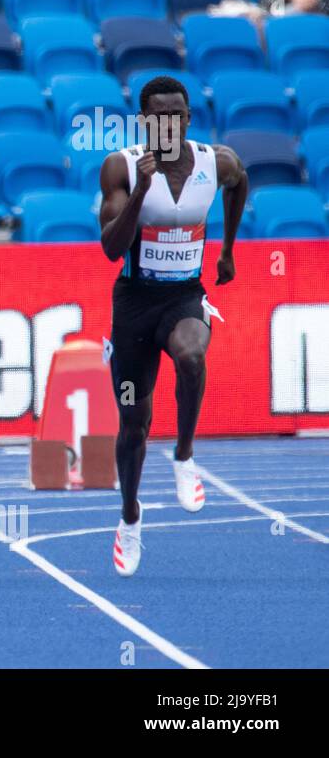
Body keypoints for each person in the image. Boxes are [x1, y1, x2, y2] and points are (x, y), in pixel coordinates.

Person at [97, 76, 248, 577]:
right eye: (157, 117)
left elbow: (240, 181)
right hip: (135, 301)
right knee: (133, 426)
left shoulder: (215, 161)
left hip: (185, 294)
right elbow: (112, 248)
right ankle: (130, 518)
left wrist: (225, 248)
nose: (167, 125)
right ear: (145, 121)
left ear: (187, 118)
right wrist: (142, 187)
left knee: (192, 353)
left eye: (176, 116)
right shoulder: (121, 165)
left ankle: (184, 456)